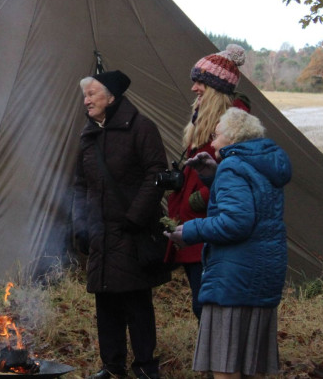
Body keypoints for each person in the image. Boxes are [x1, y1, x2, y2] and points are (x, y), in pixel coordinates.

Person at [165, 107, 291, 378]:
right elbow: (250, 200)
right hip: (263, 272)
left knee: (226, 367)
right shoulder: (263, 163)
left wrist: (190, 231)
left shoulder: (234, 166)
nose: (212, 141)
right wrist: (214, 173)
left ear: (233, 137)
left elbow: (236, 222)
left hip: (234, 278)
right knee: (251, 363)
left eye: (217, 134)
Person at [73, 70, 170, 379]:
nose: (85, 100)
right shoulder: (88, 134)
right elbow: (79, 183)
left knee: (136, 302)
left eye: (92, 94)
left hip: (131, 230)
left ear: (111, 97)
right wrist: (80, 225)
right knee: (106, 301)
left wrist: (134, 218)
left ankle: (144, 367)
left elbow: (156, 176)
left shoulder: (141, 128)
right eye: (85, 95)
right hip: (100, 231)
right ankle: (112, 367)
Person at [165, 44, 250, 320]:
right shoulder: (204, 117)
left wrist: (201, 196)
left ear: (216, 87)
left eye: (200, 82)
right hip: (195, 224)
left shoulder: (234, 124)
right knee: (202, 302)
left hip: (210, 224)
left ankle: (219, 360)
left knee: (209, 305)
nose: (194, 88)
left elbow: (238, 171)